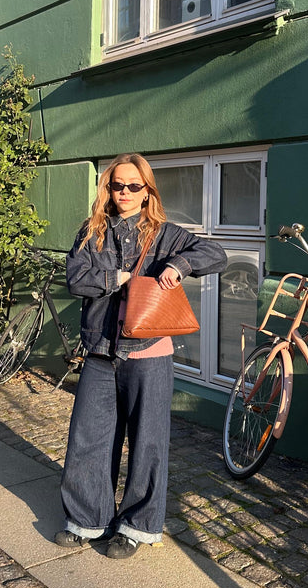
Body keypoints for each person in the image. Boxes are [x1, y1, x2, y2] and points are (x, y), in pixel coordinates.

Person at [55, 153, 227, 559]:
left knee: (148, 441)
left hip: (150, 350)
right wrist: (119, 278)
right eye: (118, 185)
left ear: (148, 190)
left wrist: (181, 264)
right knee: (88, 438)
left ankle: (136, 526)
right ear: (108, 189)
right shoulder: (92, 232)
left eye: (135, 186)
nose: (126, 193)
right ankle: (86, 518)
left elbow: (216, 253)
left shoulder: (166, 234)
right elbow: (76, 278)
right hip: (99, 348)